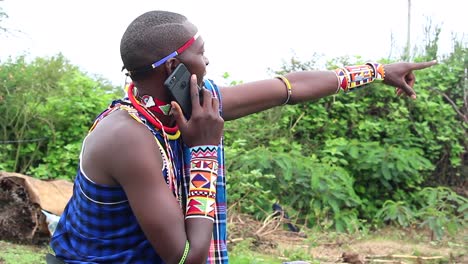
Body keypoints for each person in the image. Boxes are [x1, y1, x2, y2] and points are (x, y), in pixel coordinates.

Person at [49, 10, 436, 264]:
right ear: (173, 67)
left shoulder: (189, 105)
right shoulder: (128, 137)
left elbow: (289, 88)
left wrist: (378, 71)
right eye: (202, 53)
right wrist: (202, 150)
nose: (208, 61)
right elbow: (186, 257)